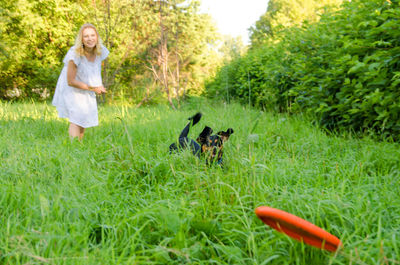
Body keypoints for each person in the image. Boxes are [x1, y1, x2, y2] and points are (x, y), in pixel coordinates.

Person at [52, 23, 109, 140]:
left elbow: (95, 70)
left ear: (97, 37)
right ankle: (73, 147)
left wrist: (99, 85)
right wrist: (93, 88)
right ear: (81, 39)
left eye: (92, 35)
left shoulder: (99, 51)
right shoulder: (75, 54)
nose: (90, 39)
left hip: (86, 85)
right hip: (72, 88)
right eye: (86, 36)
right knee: (76, 118)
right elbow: (70, 81)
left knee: (83, 118)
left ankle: (79, 146)